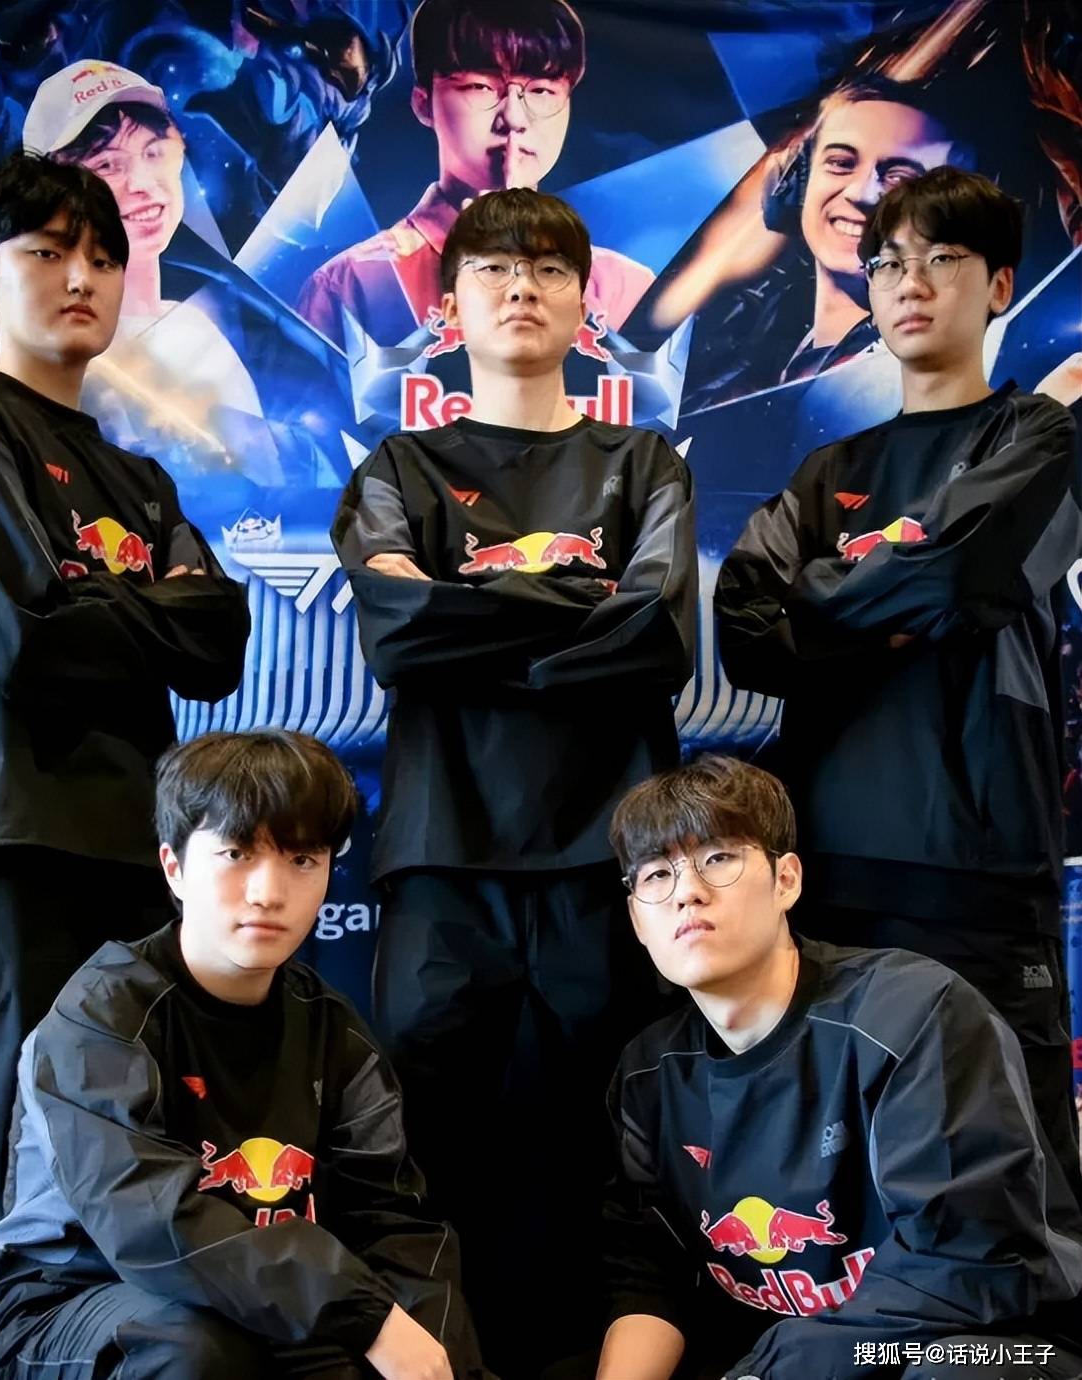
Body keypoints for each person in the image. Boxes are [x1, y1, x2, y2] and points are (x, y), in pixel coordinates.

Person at [331, 186, 696, 1377]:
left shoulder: (642, 463)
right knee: (427, 1148)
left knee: (612, 1146)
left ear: (586, 306)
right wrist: (574, 612)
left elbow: (655, 633)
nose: (522, 287)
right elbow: (398, 636)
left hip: (609, 859)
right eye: (493, 268)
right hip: (442, 855)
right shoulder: (400, 466)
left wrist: (469, 609)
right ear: (449, 307)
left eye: (547, 269)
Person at [0, 152, 250, 1377]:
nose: (81, 277)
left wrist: (85, 598)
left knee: (118, 1139)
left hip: (136, 849)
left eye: (104, 257)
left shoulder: (140, 475)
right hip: (5, 836)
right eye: (47, 252)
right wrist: (138, 603)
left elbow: (217, 642)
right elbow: (16, 640)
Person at [714, 166, 1082, 1195]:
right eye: (886, 264)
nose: (909, 283)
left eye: (942, 258)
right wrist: (898, 597)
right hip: (827, 863)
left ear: (999, 285)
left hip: (977, 859)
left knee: (1012, 1163)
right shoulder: (827, 474)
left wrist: (827, 596)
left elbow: (965, 577)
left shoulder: (1039, 435)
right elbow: (747, 634)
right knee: (841, 1164)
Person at [0, 729, 490, 1380]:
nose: (269, 891)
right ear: (174, 867)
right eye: (237, 853)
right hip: (72, 1300)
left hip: (266, 1304)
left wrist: (437, 1353)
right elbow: (147, 1217)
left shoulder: (333, 1029)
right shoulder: (101, 1017)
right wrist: (365, 1314)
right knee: (195, 1352)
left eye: (303, 859)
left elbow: (393, 1221)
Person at [598, 755, 1082, 1380]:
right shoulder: (649, 1075)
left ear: (786, 880)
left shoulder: (913, 1014)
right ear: (637, 920)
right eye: (657, 874)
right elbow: (647, 1275)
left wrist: (765, 1372)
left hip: (980, 1343)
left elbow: (968, 1265)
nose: (687, 891)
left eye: (718, 858)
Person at [298, 0, 653, 354]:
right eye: (480, 87)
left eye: (541, 91)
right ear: (423, 103)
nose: (514, 118)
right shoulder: (353, 284)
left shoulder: (623, 287)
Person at [641, 76, 968, 413]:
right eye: (841, 163)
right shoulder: (751, 339)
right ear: (798, 184)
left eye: (900, 178)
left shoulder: (923, 373)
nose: (862, 193)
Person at [23, 59, 282, 485]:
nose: (143, 183)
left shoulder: (194, 324)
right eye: (107, 165)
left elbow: (267, 483)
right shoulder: (59, 354)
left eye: (154, 152)